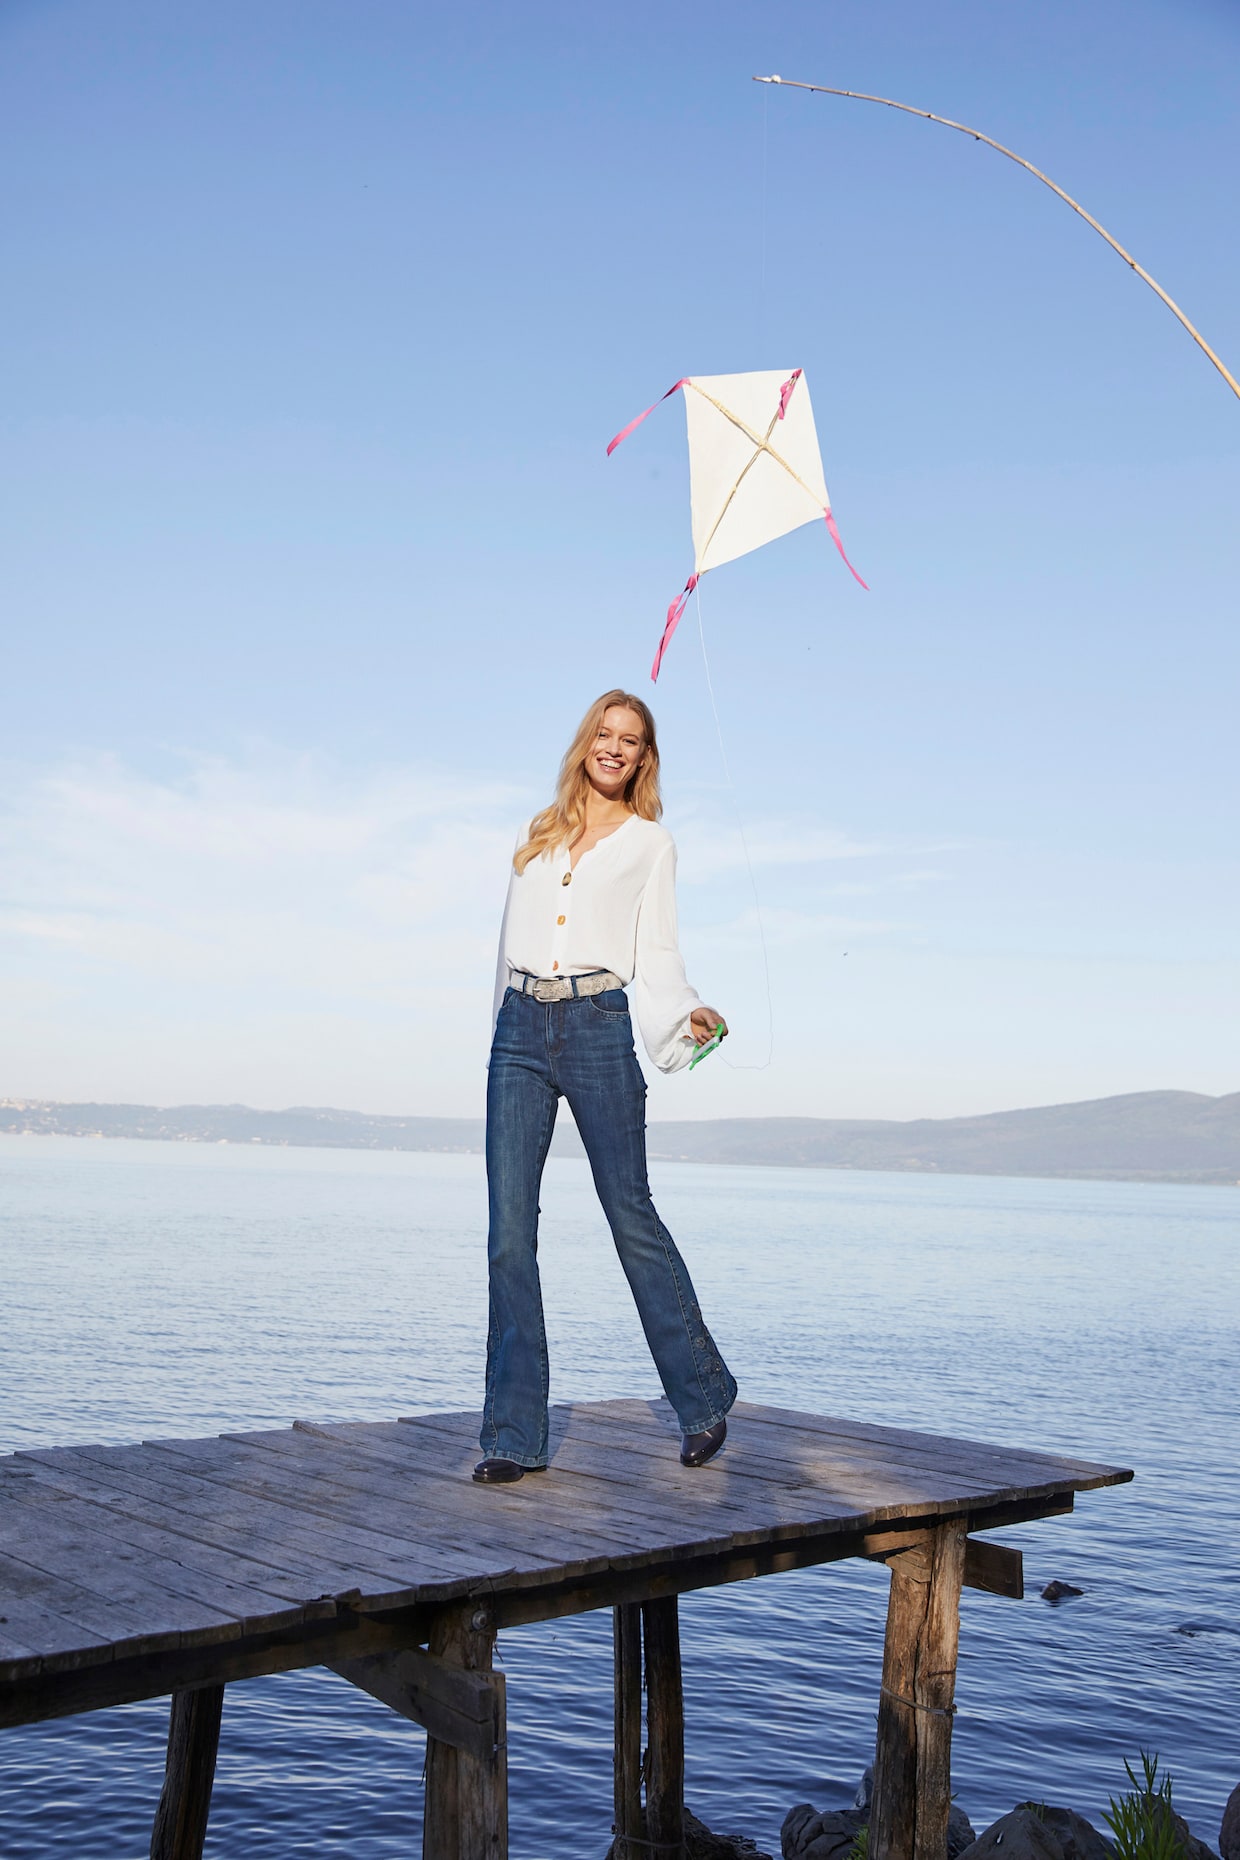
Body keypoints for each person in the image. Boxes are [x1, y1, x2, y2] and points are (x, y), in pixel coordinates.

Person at [474, 688, 738, 1484]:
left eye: (631, 739)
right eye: (604, 733)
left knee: (630, 1213)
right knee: (509, 1236)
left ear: (643, 757)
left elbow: (655, 952)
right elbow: (504, 947)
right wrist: (498, 1032)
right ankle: (513, 1438)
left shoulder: (651, 844)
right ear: (586, 742)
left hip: (597, 1025)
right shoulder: (539, 833)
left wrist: (688, 1012)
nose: (614, 747)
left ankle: (702, 1400)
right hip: (519, 1029)